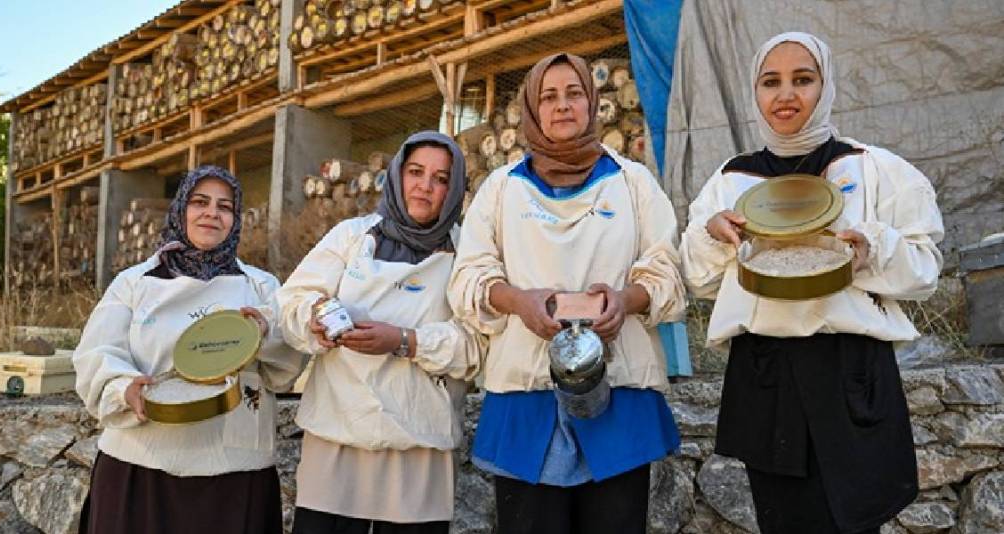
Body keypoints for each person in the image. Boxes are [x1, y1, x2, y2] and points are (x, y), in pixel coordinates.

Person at [679, 32, 944, 534]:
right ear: (754, 92)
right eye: (770, 81)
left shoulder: (875, 170)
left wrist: (871, 249)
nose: (786, 95)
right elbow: (698, 276)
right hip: (765, 373)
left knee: (855, 520)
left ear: (826, 86)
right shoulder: (731, 181)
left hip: (851, 371)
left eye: (803, 79)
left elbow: (925, 270)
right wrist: (714, 237)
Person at [447, 52, 685, 534]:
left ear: (592, 102)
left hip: (618, 390)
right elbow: (468, 277)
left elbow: (667, 269)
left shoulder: (632, 181)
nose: (562, 106)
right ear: (532, 108)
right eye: (549, 96)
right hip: (525, 395)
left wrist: (626, 300)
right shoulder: (500, 188)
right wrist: (517, 302)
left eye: (574, 93)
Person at [73, 165, 306, 533]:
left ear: (236, 218)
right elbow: (96, 354)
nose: (212, 213)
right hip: (141, 467)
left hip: (234, 473)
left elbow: (287, 365)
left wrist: (261, 332)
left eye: (224, 206)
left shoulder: (261, 287)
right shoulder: (135, 283)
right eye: (200, 202)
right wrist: (123, 388)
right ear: (181, 209)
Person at [277, 131, 484, 534]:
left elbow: (476, 346)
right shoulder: (352, 237)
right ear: (396, 176)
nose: (425, 186)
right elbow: (290, 303)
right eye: (416, 172)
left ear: (454, 188)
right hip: (336, 436)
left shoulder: (466, 255)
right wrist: (315, 317)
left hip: (418, 443)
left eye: (441, 179)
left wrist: (405, 341)